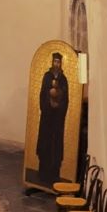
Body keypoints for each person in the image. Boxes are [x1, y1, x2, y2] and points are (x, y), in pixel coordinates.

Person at [36, 52, 69, 185]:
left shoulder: (63, 79)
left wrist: (58, 94)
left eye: (58, 62)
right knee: (45, 143)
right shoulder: (47, 76)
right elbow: (42, 93)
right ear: (52, 62)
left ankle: (54, 174)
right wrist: (49, 97)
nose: (56, 64)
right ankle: (43, 173)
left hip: (57, 118)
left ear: (61, 63)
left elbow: (66, 97)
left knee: (55, 145)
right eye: (55, 61)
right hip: (47, 116)